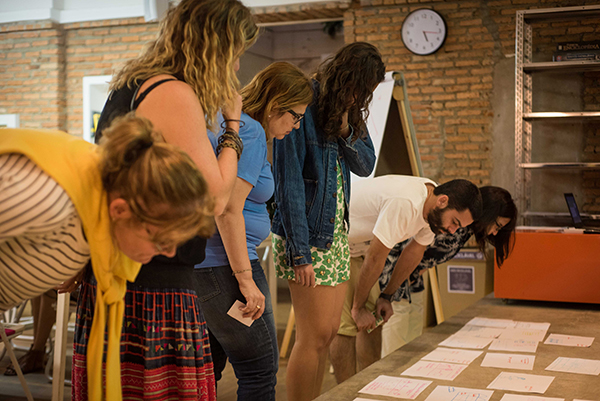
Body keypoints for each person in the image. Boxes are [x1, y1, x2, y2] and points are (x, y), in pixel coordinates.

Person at [72, 1, 259, 400]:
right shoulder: (172, 91)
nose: (237, 66)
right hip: (151, 283)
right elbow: (214, 199)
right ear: (218, 48)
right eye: (237, 53)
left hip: (124, 273)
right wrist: (232, 125)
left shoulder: (133, 84)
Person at [0, 115, 213, 400]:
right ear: (120, 211)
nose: (170, 253)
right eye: (161, 240)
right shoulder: (45, 199)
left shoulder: (94, 222)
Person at [271, 42, 386, 401]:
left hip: (335, 234)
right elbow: (288, 183)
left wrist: (346, 128)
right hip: (306, 236)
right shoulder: (304, 103)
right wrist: (299, 253)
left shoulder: (347, 112)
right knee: (313, 335)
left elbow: (365, 165)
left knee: (329, 333)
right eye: (360, 88)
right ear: (346, 77)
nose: (361, 97)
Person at [195, 62, 313, 400]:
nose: (296, 126)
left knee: (209, 368)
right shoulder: (250, 131)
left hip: (208, 267)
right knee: (259, 370)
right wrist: (245, 278)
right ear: (276, 105)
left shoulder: (230, 123)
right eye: (295, 116)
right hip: (226, 267)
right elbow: (228, 208)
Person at [329, 185, 514, 383]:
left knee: (398, 338)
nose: (495, 233)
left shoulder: (457, 224)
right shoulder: (421, 207)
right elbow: (392, 251)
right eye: (497, 225)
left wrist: (406, 280)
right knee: (374, 334)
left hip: (405, 278)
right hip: (381, 268)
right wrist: (388, 292)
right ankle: (372, 384)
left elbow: (420, 253)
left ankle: (378, 382)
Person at [379, 186, 517, 357]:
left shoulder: (465, 230)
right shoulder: (455, 225)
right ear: (488, 213)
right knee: (397, 330)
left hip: (412, 276)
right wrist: (399, 280)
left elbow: (428, 256)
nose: (495, 233)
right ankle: (391, 371)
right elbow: (408, 247)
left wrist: (415, 274)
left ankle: (404, 368)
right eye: (497, 225)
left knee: (413, 329)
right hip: (396, 272)